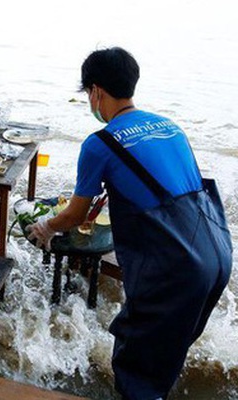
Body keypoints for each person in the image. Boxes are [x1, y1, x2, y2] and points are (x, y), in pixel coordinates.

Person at [27, 47, 232, 399]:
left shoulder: (99, 144)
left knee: (135, 368)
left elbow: (75, 214)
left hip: (175, 268)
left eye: (88, 94)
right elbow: (171, 192)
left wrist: (46, 227)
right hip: (216, 256)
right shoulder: (171, 127)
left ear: (96, 92)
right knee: (164, 358)